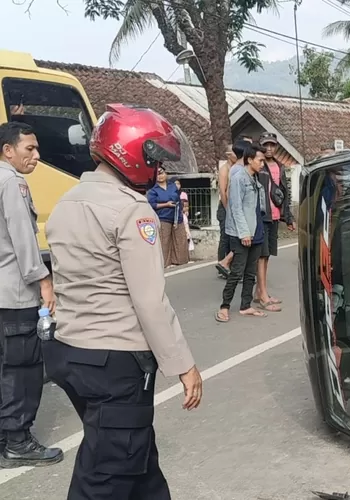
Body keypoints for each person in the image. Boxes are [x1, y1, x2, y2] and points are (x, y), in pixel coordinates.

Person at [42, 104, 202, 499]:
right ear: (131, 154)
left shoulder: (66, 203)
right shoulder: (131, 211)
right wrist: (184, 365)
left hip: (70, 352)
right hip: (114, 363)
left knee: (138, 460)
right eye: (154, 158)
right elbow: (149, 301)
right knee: (106, 475)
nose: (156, 168)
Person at [0, 122, 63, 468]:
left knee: (3, 367)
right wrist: (44, 281)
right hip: (14, 294)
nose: (36, 156)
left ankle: (3, 438)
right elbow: (23, 239)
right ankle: (18, 442)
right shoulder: (12, 183)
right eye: (30, 149)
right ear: (8, 150)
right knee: (22, 369)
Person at [216, 143, 268, 322]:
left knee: (250, 271)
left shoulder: (254, 177)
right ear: (250, 159)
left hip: (256, 229)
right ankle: (224, 306)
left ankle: (246, 305)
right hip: (241, 232)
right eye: (260, 160)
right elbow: (235, 207)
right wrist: (244, 233)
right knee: (237, 271)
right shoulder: (239, 177)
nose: (262, 163)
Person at [255, 132, 296, 312]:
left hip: (274, 215)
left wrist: (288, 217)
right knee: (261, 255)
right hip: (261, 216)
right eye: (266, 145)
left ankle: (260, 291)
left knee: (267, 255)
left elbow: (284, 192)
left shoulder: (279, 166)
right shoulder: (258, 166)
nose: (269, 149)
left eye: (272, 145)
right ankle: (262, 294)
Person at [216, 139, 252, 278]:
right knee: (226, 238)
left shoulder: (239, 168)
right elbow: (223, 192)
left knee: (235, 238)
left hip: (235, 208)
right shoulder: (225, 169)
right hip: (226, 207)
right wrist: (228, 210)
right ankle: (222, 265)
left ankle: (231, 265)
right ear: (228, 155)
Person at [147, 167, 189, 267]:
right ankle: (164, 263)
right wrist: (166, 204)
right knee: (164, 241)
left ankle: (180, 261)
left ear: (166, 174)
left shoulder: (172, 186)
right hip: (162, 217)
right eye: (157, 174)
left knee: (180, 239)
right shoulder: (153, 189)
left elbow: (178, 200)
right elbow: (151, 204)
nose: (160, 176)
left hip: (176, 216)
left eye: (162, 173)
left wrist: (180, 214)